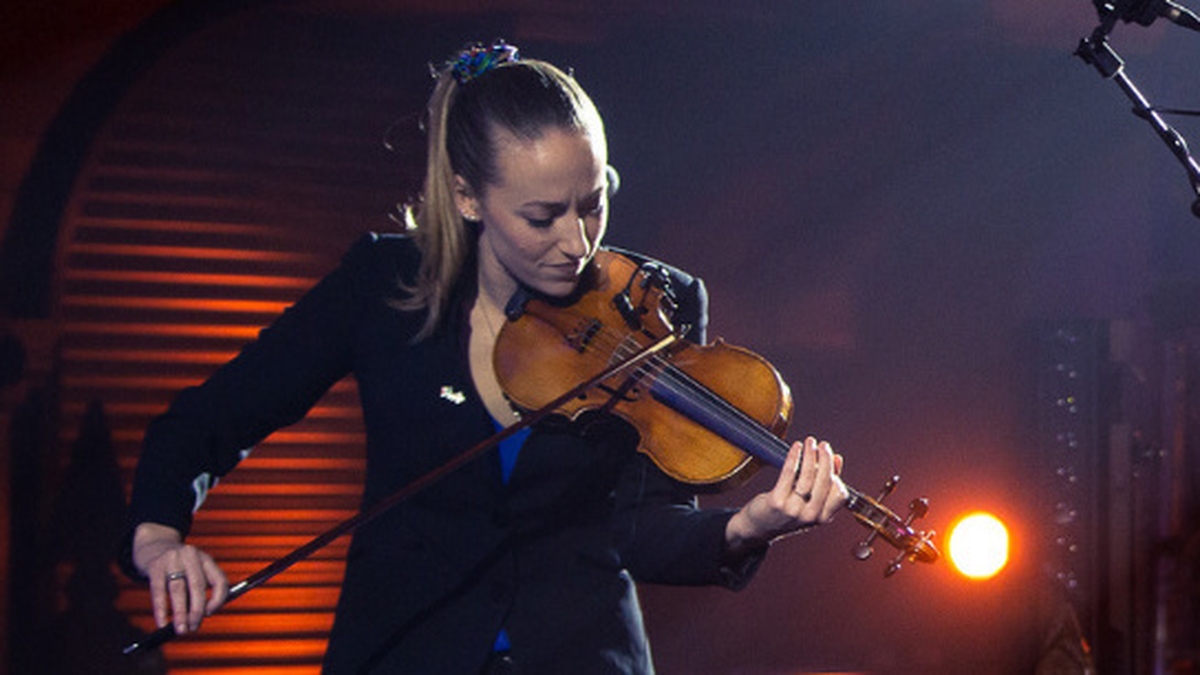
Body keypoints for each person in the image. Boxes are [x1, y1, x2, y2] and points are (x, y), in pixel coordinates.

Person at [121, 42, 848, 674]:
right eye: (542, 216)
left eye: (593, 203)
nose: (578, 242)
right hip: (404, 653)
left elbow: (642, 528)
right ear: (468, 198)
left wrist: (749, 525)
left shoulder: (655, 302)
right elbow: (210, 418)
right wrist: (157, 536)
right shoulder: (384, 283)